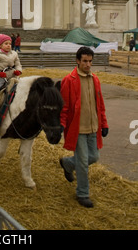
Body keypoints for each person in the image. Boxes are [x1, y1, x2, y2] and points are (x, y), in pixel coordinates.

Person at [59, 46, 109, 208]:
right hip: (78, 128)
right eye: (85, 61)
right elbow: (64, 106)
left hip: (93, 126)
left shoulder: (95, 79)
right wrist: (62, 124)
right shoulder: (69, 80)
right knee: (82, 162)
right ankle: (82, 193)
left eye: (90, 61)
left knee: (94, 157)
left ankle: (67, 163)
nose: (88, 64)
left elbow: (99, 104)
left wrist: (104, 123)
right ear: (78, 61)